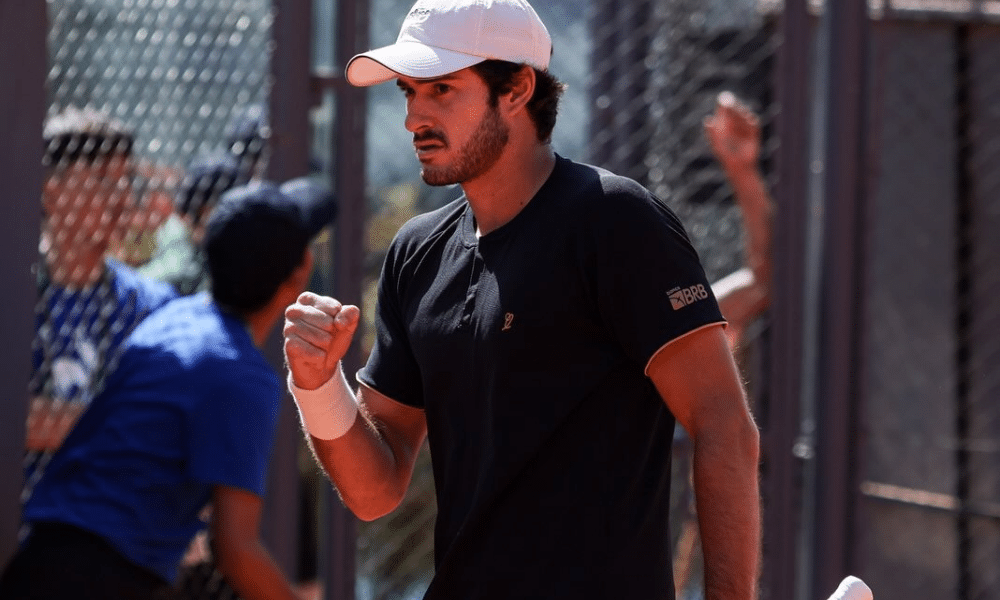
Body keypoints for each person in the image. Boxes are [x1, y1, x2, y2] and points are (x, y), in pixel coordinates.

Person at [282, 1, 760, 599]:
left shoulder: (614, 220)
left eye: (441, 89)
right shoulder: (415, 252)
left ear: (517, 88)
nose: (413, 118)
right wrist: (319, 385)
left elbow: (724, 426)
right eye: (409, 92)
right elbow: (375, 490)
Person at [0, 180, 336, 600]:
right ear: (300, 272)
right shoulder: (242, 376)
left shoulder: (173, 318)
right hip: (104, 579)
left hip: (41, 560)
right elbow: (237, 547)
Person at [28, 107, 178, 455]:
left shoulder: (153, 305)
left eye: (126, 179)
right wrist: (115, 422)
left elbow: (162, 425)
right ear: (51, 190)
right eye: (103, 178)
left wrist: (45, 420)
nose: (122, 196)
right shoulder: (13, 296)